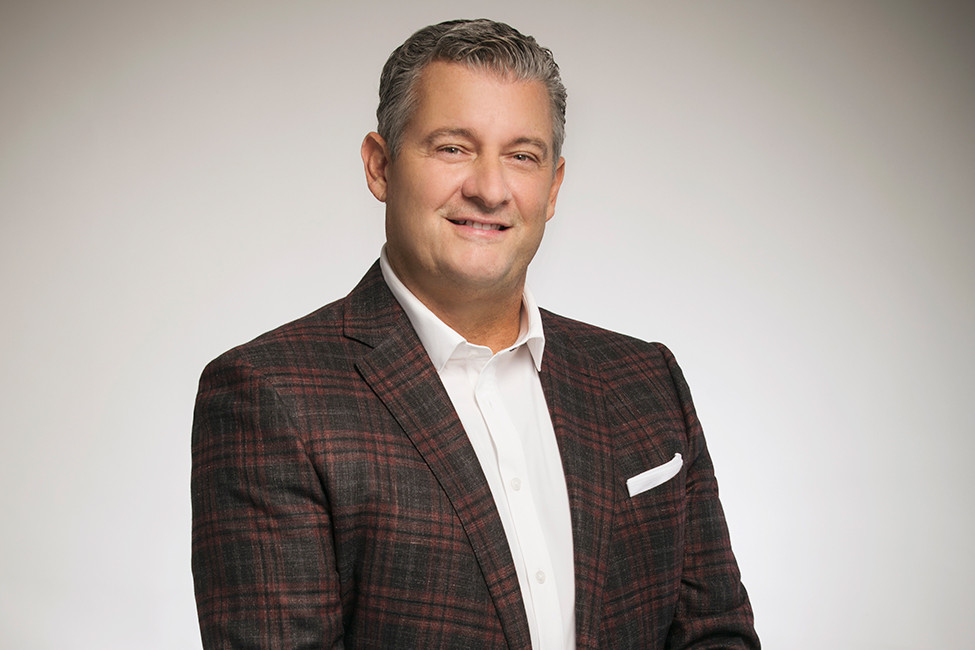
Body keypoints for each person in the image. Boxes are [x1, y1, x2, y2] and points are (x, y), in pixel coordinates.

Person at [191, 18, 759, 649]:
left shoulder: (645, 379)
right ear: (380, 167)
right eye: (453, 148)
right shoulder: (270, 397)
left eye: (522, 156)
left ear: (553, 188)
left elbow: (717, 634)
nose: (489, 189)